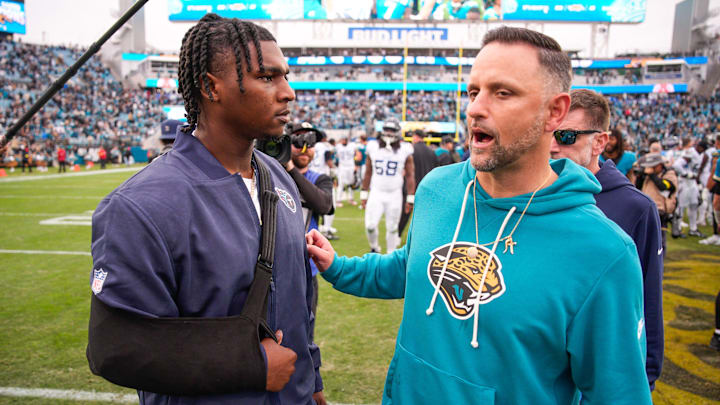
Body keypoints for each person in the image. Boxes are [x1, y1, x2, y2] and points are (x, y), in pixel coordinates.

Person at [307, 26, 651, 404]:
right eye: (474, 92)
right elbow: (412, 268)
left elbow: (619, 394)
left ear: (555, 111)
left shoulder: (603, 252)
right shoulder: (439, 187)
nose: (474, 108)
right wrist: (338, 266)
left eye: (502, 93)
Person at [87, 14, 324, 405]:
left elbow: (298, 302)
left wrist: (311, 380)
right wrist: (246, 362)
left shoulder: (280, 181)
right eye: (267, 77)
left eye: (285, 76)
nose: (288, 92)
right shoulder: (141, 205)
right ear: (211, 87)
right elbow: (116, 346)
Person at [549, 88, 664, 390]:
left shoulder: (635, 207)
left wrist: (646, 375)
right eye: (546, 133)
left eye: (566, 136)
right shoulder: (532, 194)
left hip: (598, 364)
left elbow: (647, 297)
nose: (551, 146)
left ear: (600, 141)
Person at [284, 121, 334, 326]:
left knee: (304, 332)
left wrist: (291, 169)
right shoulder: (271, 172)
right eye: (298, 140)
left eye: (310, 142)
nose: (304, 147)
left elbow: (324, 205)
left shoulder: (320, 179)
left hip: (305, 267)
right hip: (272, 265)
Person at [361, 117, 415, 253]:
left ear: (398, 132)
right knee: (370, 226)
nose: (389, 133)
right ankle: (374, 247)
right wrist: (364, 193)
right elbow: (368, 172)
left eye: (392, 130)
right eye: (387, 130)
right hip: (376, 192)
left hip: (395, 193)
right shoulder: (372, 147)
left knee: (392, 227)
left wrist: (410, 198)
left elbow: (410, 175)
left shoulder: (405, 149)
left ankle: (391, 253)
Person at [399, 129, 438, 234]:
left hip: (411, 186)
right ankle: (423, 236)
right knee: (424, 215)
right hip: (426, 187)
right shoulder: (431, 151)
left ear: (415, 136)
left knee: (405, 212)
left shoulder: (411, 149)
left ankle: (398, 234)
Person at [672, 138, 704, 238]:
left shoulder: (699, 154)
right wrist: (686, 173)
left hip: (692, 182)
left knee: (694, 205)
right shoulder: (691, 152)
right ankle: (678, 229)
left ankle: (693, 229)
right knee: (681, 206)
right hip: (685, 182)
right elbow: (677, 165)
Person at [335, 136, 358, 206]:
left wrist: (356, 164)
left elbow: (358, 154)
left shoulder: (352, 145)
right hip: (342, 167)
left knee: (351, 183)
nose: (343, 141)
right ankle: (338, 200)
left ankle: (351, 199)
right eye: (342, 140)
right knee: (341, 183)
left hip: (351, 166)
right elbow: (334, 153)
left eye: (344, 140)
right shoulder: (338, 146)